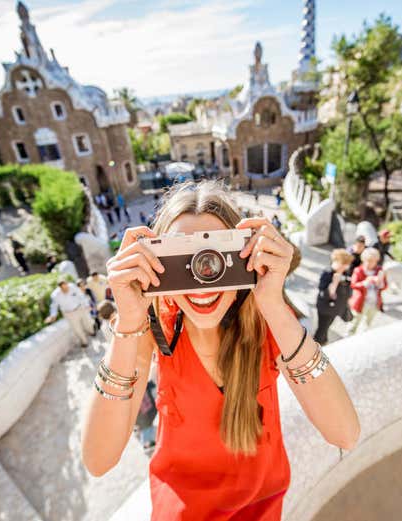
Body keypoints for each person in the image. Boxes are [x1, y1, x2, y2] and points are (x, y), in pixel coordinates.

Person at [81, 181, 360, 520]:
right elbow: (99, 460)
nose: (203, 276)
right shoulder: (156, 327)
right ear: (156, 261)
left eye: (214, 257)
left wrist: (272, 303)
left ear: (244, 253)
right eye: (183, 257)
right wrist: (127, 321)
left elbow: (344, 433)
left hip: (262, 506)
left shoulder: (266, 320)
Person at [314, 249, 354, 344]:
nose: (345, 266)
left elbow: (348, 289)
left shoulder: (345, 273)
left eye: (347, 264)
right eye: (343, 263)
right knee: (322, 328)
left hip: (336, 308)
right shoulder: (328, 273)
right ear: (336, 261)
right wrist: (335, 282)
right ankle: (317, 346)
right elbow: (324, 294)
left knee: (327, 326)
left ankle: (323, 340)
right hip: (326, 308)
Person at [44, 279, 95, 348]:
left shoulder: (72, 287)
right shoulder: (55, 295)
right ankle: (84, 341)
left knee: (87, 322)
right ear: (60, 288)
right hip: (69, 313)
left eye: (66, 286)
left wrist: (87, 305)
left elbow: (81, 296)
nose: (66, 289)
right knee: (76, 328)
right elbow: (54, 306)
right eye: (64, 288)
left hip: (79, 308)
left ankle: (91, 332)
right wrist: (53, 316)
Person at [348, 248, 387, 335]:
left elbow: (384, 286)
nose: (370, 263)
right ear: (364, 260)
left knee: (367, 324)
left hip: (374, 302)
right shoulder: (359, 270)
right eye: (368, 260)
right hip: (360, 302)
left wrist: (380, 283)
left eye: (373, 261)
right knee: (354, 323)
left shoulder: (379, 270)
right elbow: (353, 285)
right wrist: (365, 282)